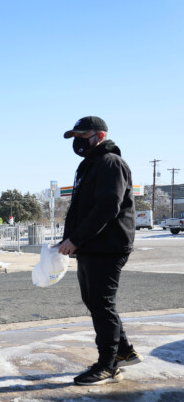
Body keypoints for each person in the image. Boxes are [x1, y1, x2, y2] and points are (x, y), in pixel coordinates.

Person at [57, 116, 139, 386]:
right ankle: (123, 351)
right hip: (92, 246)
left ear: (100, 136)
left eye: (83, 136)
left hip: (108, 246)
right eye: (76, 137)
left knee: (101, 304)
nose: (78, 142)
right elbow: (81, 209)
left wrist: (76, 239)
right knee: (95, 302)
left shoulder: (111, 164)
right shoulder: (87, 166)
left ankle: (108, 365)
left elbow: (107, 208)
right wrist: (68, 239)